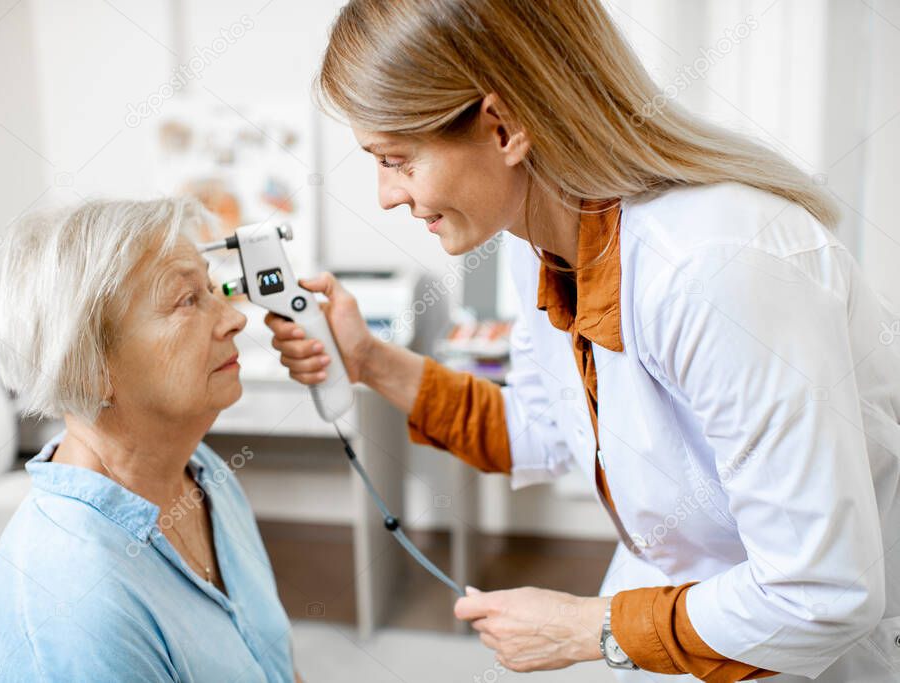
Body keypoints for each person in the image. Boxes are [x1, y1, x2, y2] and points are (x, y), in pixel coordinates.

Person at [265, 1, 900, 681]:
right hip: (674, 594)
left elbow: (817, 595)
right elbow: (541, 430)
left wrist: (583, 627)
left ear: (503, 126)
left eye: (397, 160)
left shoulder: (715, 266)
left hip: (794, 645)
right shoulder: (537, 238)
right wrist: (366, 359)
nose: (387, 195)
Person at [0, 198, 300, 682]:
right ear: (89, 368)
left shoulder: (204, 472)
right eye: (187, 300)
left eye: (210, 288)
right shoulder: (77, 602)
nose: (234, 319)